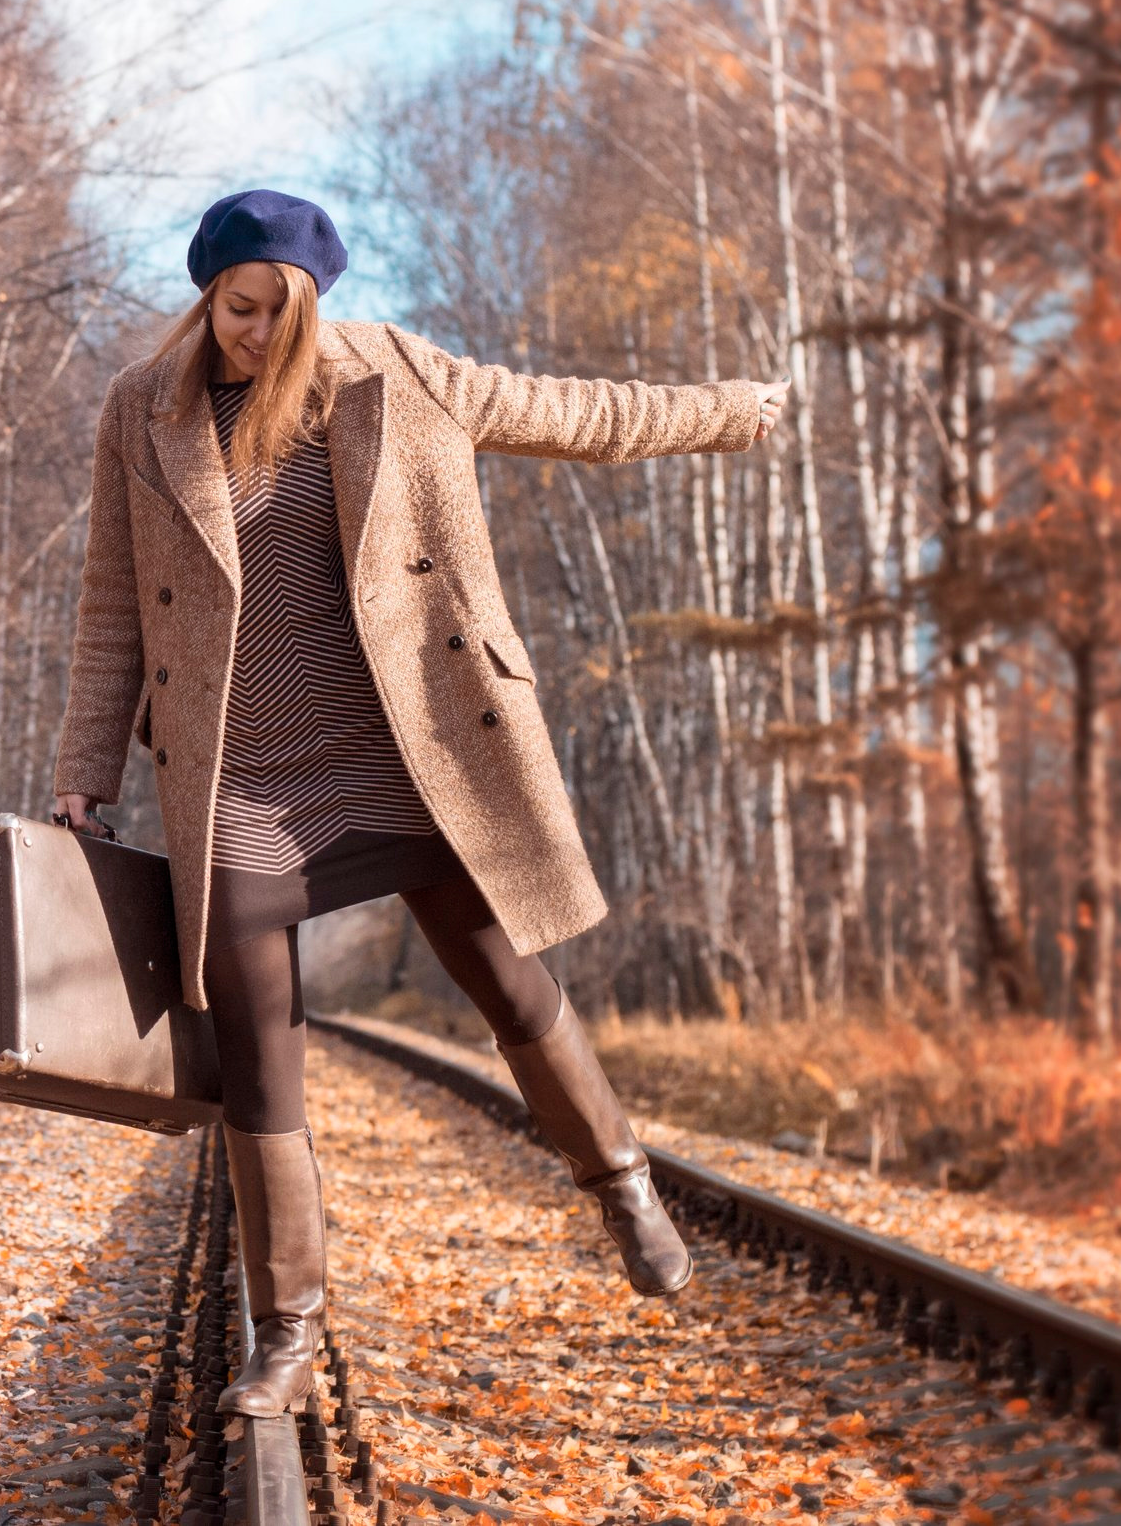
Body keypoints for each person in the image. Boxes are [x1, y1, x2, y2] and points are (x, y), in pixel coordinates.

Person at [48, 189, 788, 1420]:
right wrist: (87, 765)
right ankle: (287, 1334)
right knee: (256, 1055)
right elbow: (111, 600)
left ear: (316, 306)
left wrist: (731, 414)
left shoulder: (392, 373)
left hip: (408, 745)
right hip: (240, 773)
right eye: (237, 308)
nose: (256, 335)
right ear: (206, 295)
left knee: (505, 980)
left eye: (279, 314)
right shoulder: (143, 408)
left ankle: (618, 1181)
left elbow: (578, 415)